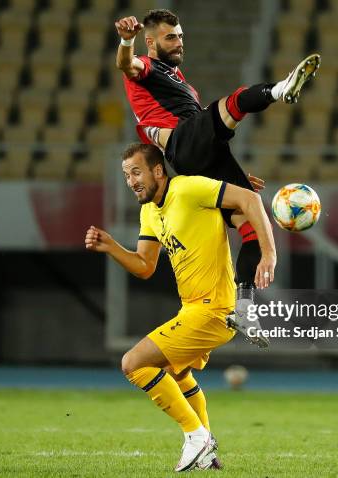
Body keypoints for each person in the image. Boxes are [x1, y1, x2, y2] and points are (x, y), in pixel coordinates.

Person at [114, 9, 319, 345]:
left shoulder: (183, 85)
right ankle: (281, 89)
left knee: (249, 223)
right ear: (150, 42)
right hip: (182, 141)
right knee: (234, 102)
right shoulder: (146, 67)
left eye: (180, 35)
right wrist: (125, 40)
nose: (179, 42)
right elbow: (126, 64)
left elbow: (201, 134)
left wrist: (227, 179)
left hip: (201, 153)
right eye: (170, 37)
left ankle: (244, 306)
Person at [84, 143, 276, 471]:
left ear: (158, 171)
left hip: (214, 308)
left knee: (133, 363)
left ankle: (197, 437)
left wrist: (269, 253)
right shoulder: (149, 211)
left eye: (136, 171)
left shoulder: (189, 188)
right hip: (192, 309)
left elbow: (250, 198)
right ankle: (207, 456)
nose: (130, 180)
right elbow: (145, 265)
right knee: (178, 374)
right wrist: (111, 246)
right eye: (126, 174)